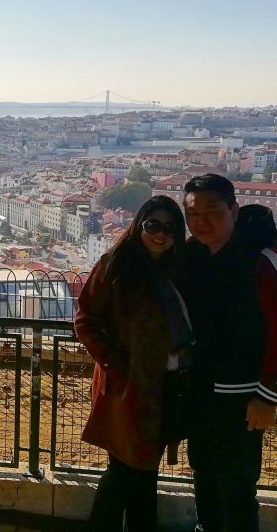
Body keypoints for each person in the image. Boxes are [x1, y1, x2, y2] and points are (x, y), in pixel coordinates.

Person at [182, 174, 277, 532]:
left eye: (213, 212)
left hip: (244, 402)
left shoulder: (265, 262)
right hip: (200, 395)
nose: (202, 222)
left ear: (234, 211)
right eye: (193, 214)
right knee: (204, 480)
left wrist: (268, 395)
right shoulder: (193, 256)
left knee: (237, 491)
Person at [74, 195, 193, 532]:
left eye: (170, 228)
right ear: (139, 225)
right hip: (126, 387)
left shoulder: (178, 269)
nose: (161, 234)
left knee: (140, 469)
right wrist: (117, 365)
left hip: (167, 386)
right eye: (153, 225)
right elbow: (85, 320)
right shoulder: (116, 265)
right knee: (127, 469)